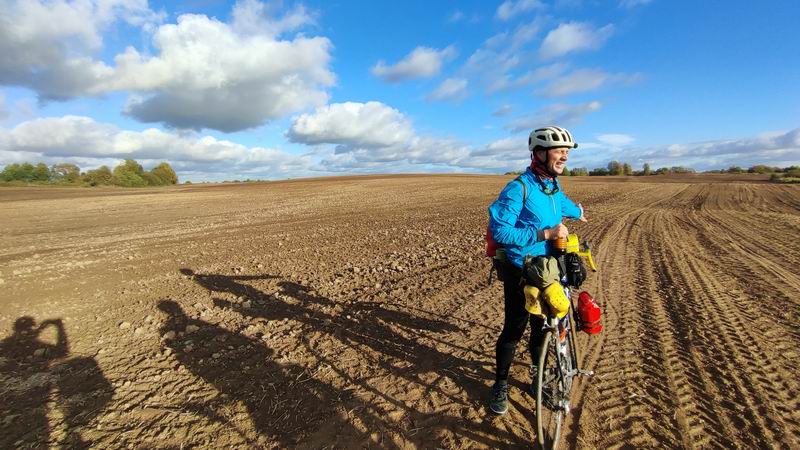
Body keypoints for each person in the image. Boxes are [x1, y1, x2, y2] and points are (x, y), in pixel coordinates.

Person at [486, 126, 587, 415]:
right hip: (522, 269)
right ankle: (501, 384)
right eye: (559, 150)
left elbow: (560, 203)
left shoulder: (552, 185)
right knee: (514, 329)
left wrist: (577, 212)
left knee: (543, 328)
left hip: (550, 268)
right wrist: (544, 233)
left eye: (567, 151)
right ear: (540, 154)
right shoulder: (519, 187)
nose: (565, 155)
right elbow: (501, 230)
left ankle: (537, 373)